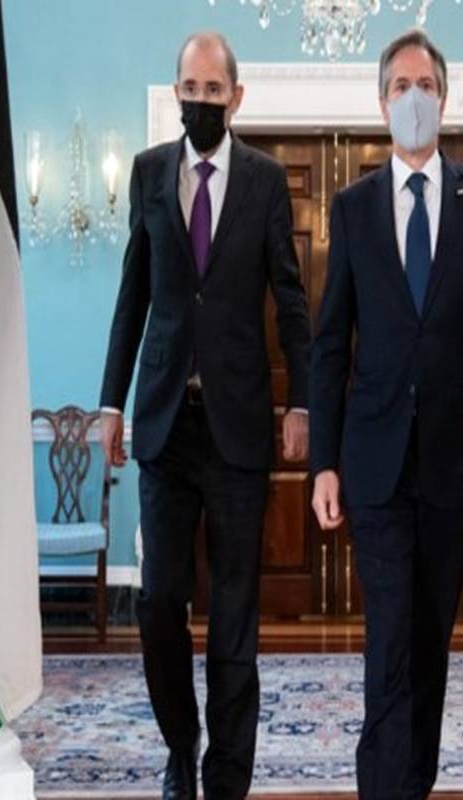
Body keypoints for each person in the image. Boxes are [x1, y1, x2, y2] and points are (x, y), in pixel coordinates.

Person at [309, 29, 463, 799]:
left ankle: (413, 785)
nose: (413, 98)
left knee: (430, 643)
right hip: (372, 464)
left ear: (444, 97)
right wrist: (324, 463)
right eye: (399, 86)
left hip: (449, 461)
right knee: (391, 640)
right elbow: (328, 346)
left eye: (425, 85)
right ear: (381, 103)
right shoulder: (353, 208)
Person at [98, 31, 310, 800]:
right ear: (176, 92)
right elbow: (134, 293)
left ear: (235, 97)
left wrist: (303, 400)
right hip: (164, 422)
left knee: (234, 613)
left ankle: (226, 778)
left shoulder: (264, 181)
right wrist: (110, 400)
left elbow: (289, 296)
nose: (200, 101)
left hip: (239, 427)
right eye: (190, 89)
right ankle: (180, 743)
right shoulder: (148, 171)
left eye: (213, 90)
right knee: (159, 600)